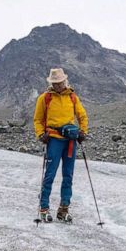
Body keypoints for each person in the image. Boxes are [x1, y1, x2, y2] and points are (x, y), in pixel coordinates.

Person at [33, 68, 89, 222]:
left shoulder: (72, 97)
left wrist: (83, 132)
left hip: (70, 141)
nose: (58, 85)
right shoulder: (45, 98)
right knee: (50, 175)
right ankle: (44, 207)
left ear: (65, 81)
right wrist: (40, 135)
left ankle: (64, 209)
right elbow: (37, 120)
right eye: (55, 83)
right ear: (51, 83)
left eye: (60, 82)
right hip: (53, 140)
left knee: (68, 176)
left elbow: (82, 115)